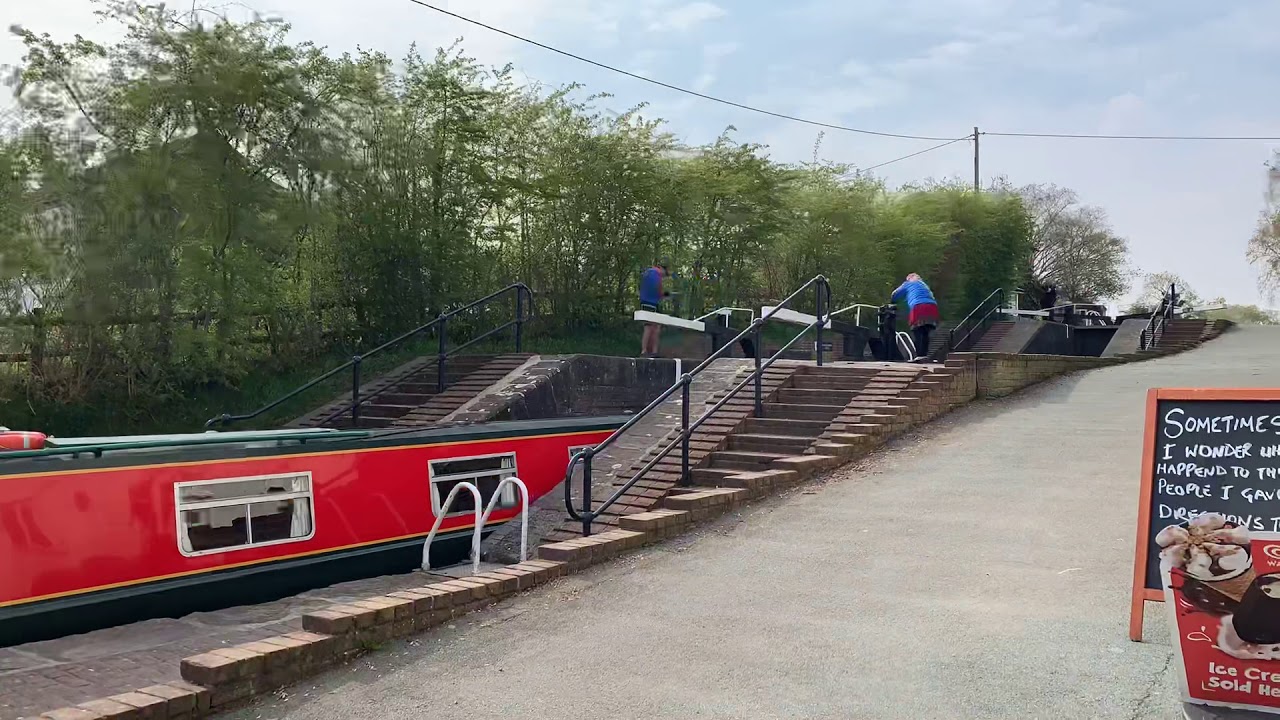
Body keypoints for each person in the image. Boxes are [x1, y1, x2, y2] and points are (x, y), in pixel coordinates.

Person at [890, 273, 939, 362]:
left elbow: (895, 294)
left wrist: (892, 301)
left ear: (909, 279)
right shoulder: (924, 285)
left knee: (917, 330)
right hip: (932, 307)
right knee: (925, 331)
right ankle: (924, 355)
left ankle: (919, 355)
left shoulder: (908, 284)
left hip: (918, 306)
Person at [639, 259, 672, 357]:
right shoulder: (655, 274)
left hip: (649, 302)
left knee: (656, 327)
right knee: (649, 327)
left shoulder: (648, 272)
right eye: (665, 274)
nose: (664, 276)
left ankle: (653, 351)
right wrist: (665, 294)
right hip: (650, 303)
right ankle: (646, 351)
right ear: (661, 268)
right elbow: (656, 290)